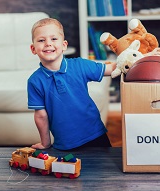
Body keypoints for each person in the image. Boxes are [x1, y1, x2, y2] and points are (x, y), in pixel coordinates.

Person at [27, 18, 117, 150]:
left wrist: (138, 58)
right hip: (64, 144)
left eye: (53, 39)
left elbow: (111, 69)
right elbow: (40, 115)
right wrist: (45, 143)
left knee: (104, 169)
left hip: (95, 134)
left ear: (64, 45)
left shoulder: (80, 65)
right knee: (69, 169)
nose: (48, 43)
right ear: (33, 48)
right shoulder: (34, 81)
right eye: (41, 40)